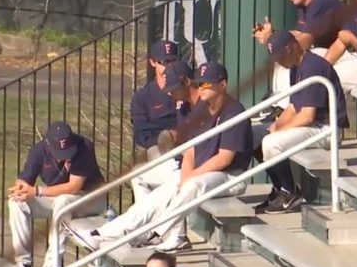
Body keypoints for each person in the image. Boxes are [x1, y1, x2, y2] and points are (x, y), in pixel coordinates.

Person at [80, 62, 253, 253]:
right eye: (200, 83)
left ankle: (158, 230)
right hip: (202, 173)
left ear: (222, 85)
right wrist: (186, 175)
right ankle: (103, 234)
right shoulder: (201, 110)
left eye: (206, 84)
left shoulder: (234, 111)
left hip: (230, 176)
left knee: (191, 186)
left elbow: (225, 159)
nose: (201, 88)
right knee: (157, 197)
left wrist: (190, 177)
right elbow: (190, 150)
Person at [254, 30, 349, 213]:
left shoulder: (313, 66)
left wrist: (276, 132)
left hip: (327, 128)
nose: (278, 61)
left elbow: (307, 116)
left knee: (271, 142)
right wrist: (275, 126)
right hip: (313, 125)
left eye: (279, 56)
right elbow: (293, 107)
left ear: (290, 48)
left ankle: (290, 193)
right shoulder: (296, 66)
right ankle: (278, 189)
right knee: (253, 136)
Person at [8, 121, 107, 267]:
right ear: (48, 144)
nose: (65, 156)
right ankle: (24, 263)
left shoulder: (84, 146)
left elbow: (74, 187)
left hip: (91, 198)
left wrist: (37, 191)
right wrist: (20, 189)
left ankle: (51, 266)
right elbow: (25, 180)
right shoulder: (38, 151)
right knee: (16, 203)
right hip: (60, 198)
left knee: (63, 201)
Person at [253, 0, 341, 111]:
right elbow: (298, 35)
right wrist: (274, 35)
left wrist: (271, 39)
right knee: (282, 52)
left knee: (288, 54)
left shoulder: (320, 2)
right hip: (325, 52)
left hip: (344, 53)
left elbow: (304, 42)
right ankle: (280, 105)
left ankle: (284, 107)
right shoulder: (304, 5)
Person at [131, 61, 198, 203]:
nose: (171, 94)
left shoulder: (206, 106)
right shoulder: (184, 108)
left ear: (186, 81)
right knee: (138, 174)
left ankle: (155, 221)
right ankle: (148, 222)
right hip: (181, 162)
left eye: (174, 89)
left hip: (197, 170)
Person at [132, 40, 183, 160]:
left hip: (187, 143)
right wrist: (166, 136)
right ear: (153, 62)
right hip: (157, 148)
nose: (169, 66)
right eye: (164, 62)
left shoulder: (186, 88)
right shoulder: (142, 97)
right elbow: (142, 135)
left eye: (173, 61)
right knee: (156, 154)